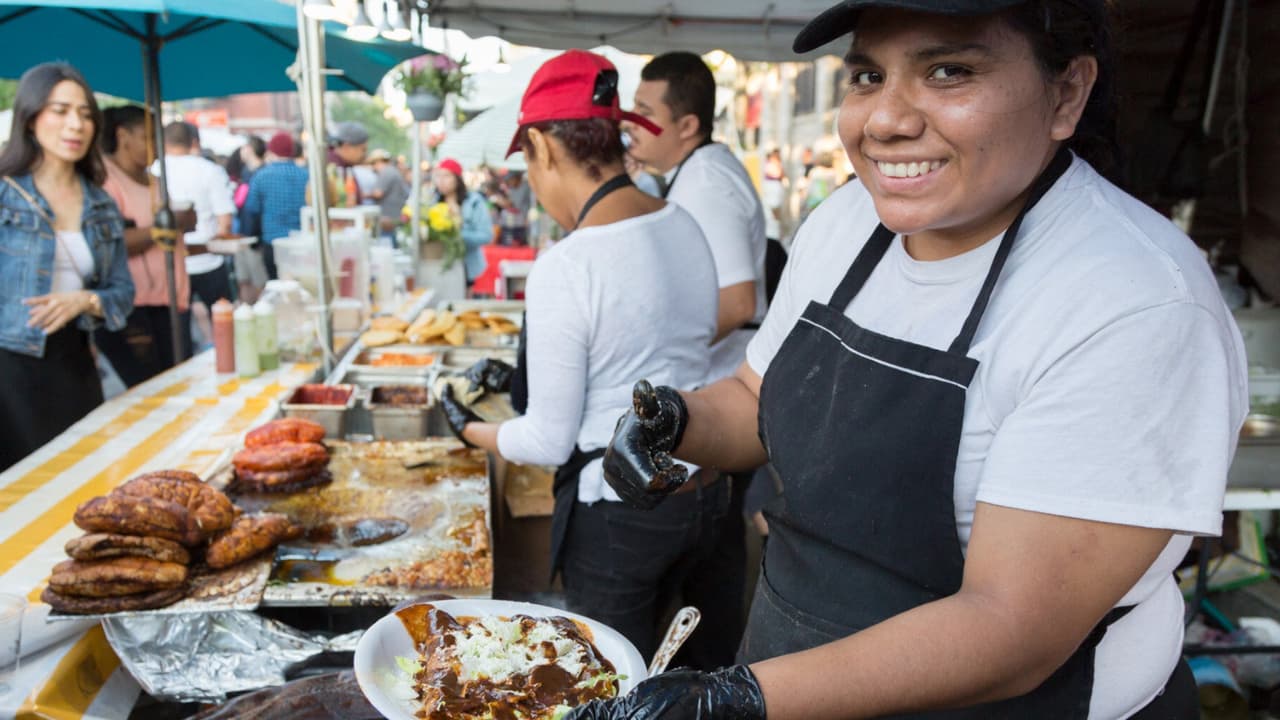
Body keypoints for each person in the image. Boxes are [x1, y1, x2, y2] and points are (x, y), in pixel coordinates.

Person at [581, 2, 1248, 719]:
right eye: (868, 75)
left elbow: (1010, 627)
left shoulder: (1133, 300)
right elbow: (754, 397)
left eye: (949, 70)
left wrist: (736, 699)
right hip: (792, 673)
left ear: (1066, 94)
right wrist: (677, 423)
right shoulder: (844, 223)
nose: (885, 120)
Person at [436, 49, 729, 668]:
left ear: (542, 146)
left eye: (529, 164)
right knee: (682, 680)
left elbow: (546, 440)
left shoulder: (568, 266)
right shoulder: (684, 223)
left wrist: (468, 429)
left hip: (618, 515)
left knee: (609, 684)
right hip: (703, 497)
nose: (534, 187)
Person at [0, 62, 133, 472]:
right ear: (30, 116)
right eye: (60, 110)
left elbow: (122, 293)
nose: (75, 124)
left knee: (80, 481)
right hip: (8, 371)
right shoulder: (5, 194)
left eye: (85, 113)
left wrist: (84, 300)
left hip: (74, 364)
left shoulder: (101, 204)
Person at [626, 51, 767, 386]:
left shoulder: (706, 183)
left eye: (645, 113)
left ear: (687, 126)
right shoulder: (695, 174)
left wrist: (658, 355)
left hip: (716, 382)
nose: (630, 122)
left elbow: (738, 303)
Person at [94, 105, 193, 386]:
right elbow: (111, 243)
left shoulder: (155, 182)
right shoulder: (105, 182)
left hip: (171, 298)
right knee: (150, 389)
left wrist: (184, 221)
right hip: (134, 307)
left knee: (177, 383)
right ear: (123, 135)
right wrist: (164, 227)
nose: (155, 146)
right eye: (147, 137)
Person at [161, 121, 236, 327]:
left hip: (170, 263)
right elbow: (225, 220)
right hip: (208, 259)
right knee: (225, 327)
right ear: (193, 142)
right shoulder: (209, 170)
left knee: (178, 333)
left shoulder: (153, 170)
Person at [243, 131, 309, 280]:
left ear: (271, 151)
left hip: (272, 242)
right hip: (301, 240)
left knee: (277, 285)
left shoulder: (261, 176)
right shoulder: (306, 175)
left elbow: (252, 208)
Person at [432, 157, 493, 285]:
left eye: (447, 176)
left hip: (467, 266)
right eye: (438, 176)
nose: (441, 181)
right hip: (437, 265)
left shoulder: (474, 202)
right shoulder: (431, 202)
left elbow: (486, 235)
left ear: (457, 179)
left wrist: (456, 235)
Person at [366, 148, 409, 242]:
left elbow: (378, 193)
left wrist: (362, 195)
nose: (372, 167)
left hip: (388, 218)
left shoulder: (386, 172)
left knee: (386, 243)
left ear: (378, 162)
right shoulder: (392, 171)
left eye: (373, 164)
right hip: (394, 216)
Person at [328, 121, 369, 207]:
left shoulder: (345, 166)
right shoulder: (332, 168)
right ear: (346, 147)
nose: (364, 155)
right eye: (363, 149)